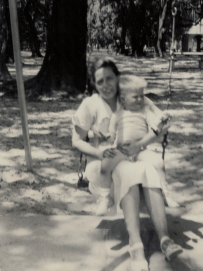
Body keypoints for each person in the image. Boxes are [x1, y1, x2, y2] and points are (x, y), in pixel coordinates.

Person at [72, 58, 183, 271]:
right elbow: (77, 141)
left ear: (118, 78)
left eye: (110, 78)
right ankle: (136, 246)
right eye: (100, 81)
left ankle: (165, 240)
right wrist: (99, 150)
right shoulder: (90, 105)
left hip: (136, 155)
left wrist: (141, 144)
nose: (106, 85)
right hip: (104, 167)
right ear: (94, 84)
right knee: (130, 172)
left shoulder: (136, 98)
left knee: (148, 168)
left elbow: (163, 123)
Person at [96, 74, 179, 216]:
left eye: (142, 96)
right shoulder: (116, 115)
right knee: (105, 165)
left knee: (158, 162)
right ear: (123, 99)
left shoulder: (145, 112)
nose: (141, 99)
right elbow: (111, 136)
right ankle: (105, 197)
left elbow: (156, 127)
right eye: (136, 97)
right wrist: (104, 137)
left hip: (141, 151)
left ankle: (165, 194)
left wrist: (162, 119)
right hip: (121, 150)